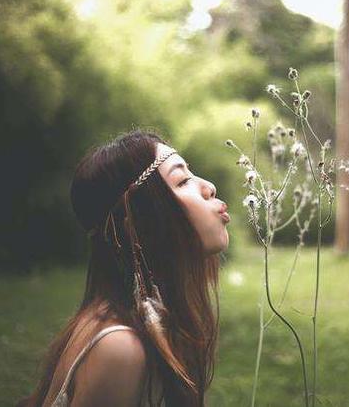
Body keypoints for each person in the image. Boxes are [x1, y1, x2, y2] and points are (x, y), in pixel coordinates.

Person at [17, 129, 230, 407]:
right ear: (140, 222)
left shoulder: (147, 322)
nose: (208, 187)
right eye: (182, 180)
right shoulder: (120, 348)